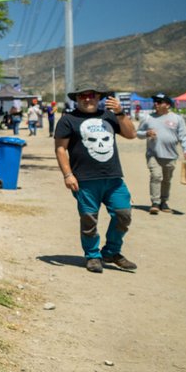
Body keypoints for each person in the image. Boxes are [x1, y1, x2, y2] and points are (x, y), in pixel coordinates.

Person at [53, 85, 138, 273]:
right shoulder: (68, 120)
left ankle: (111, 252)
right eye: (82, 96)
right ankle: (92, 255)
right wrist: (68, 174)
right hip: (85, 180)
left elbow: (131, 134)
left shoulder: (109, 116)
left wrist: (120, 113)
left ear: (99, 97)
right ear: (76, 99)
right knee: (89, 220)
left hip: (113, 177)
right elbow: (60, 149)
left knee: (123, 214)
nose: (87, 99)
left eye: (91, 95)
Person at [137, 92, 186, 215]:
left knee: (166, 180)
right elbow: (138, 133)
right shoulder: (147, 118)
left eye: (159, 102)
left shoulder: (177, 118)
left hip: (170, 155)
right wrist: (146, 133)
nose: (156, 104)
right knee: (156, 176)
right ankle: (155, 203)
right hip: (153, 154)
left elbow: (184, 136)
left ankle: (164, 202)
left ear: (167, 105)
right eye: (155, 102)